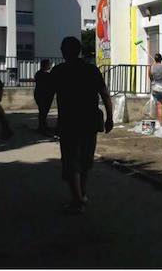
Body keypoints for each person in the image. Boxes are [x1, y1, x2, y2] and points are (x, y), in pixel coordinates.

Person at [51, 36, 113, 214]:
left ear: (63, 52)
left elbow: (47, 96)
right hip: (89, 121)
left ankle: (78, 199)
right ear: (78, 51)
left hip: (69, 122)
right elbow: (105, 95)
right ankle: (80, 195)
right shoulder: (91, 70)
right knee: (85, 159)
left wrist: (43, 120)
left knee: (71, 160)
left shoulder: (59, 71)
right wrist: (109, 117)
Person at [34, 59, 54, 133]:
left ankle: (43, 126)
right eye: (49, 64)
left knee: (43, 111)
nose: (50, 66)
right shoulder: (43, 74)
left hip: (41, 95)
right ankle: (42, 127)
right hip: (42, 95)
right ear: (45, 65)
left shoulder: (39, 74)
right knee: (43, 111)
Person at [0, 74, 13, 140]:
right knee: (1, 116)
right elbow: (0, 88)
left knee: (1, 116)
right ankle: (7, 131)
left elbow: (0, 88)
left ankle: (7, 131)